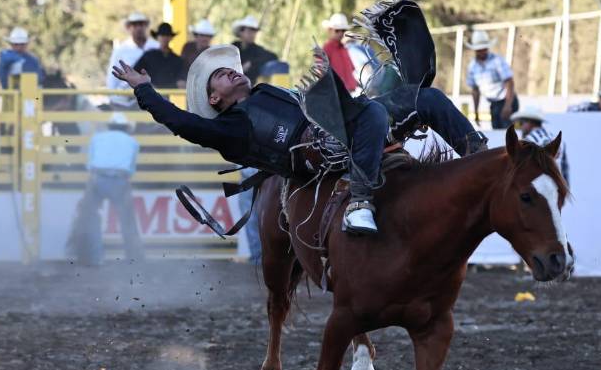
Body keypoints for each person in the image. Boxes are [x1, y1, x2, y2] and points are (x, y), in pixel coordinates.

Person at [113, 44, 486, 236]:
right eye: (221, 76)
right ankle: (359, 201)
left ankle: (479, 157)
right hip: (313, 152)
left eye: (229, 69)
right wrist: (144, 90)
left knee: (426, 97)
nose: (230, 72)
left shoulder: (270, 93)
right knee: (371, 113)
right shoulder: (230, 129)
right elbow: (180, 122)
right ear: (214, 99)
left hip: (338, 127)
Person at [68, 113, 144, 265]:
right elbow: (131, 168)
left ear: (110, 126)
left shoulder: (97, 138)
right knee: (127, 220)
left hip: (98, 178)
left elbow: (90, 164)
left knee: (90, 217)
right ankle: (134, 258)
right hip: (120, 179)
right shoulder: (132, 142)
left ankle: (95, 257)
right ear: (125, 127)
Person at [465, 30, 517, 129]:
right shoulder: (472, 66)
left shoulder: (497, 61)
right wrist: (476, 111)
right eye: (479, 49)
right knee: (497, 130)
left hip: (506, 100)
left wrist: (508, 105)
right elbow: (475, 90)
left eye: (484, 49)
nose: (482, 52)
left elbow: (509, 82)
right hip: (494, 104)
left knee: (507, 132)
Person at [105, 12, 158, 109]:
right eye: (135, 25)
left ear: (146, 26)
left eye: (141, 24)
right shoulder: (121, 50)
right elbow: (112, 78)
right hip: (126, 100)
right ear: (129, 27)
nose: (138, 28)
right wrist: (112, 98)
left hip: (153, 97)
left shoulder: (156, 46)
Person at [511, 106, 569, 185]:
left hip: (539, 189)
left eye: (521, 123)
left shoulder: (528, 141)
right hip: (558, 187)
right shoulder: (558, 140)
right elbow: (565, 170)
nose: (521, 128)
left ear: (530, 122)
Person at [133, 22, 185, 89]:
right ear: (157, 37)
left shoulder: (177, 60)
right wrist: (146, 84)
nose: (164, 38)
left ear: (171, 37)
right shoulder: (148, 56)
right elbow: (135, 72)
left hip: (170, 94)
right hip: (150, 93)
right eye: (162, 35)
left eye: (167, 35)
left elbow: (181, 80)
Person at [231, 15, 278, 84]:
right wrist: (241, 69)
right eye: (249, 31)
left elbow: (273, 56)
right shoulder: (233, 47)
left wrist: (251, 63)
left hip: (248, 86)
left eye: (254, 32)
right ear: (241, 32)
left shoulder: (257, 50)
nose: (252, 35)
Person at [321, 13, 357, 92]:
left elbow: (352, 69)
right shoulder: (327, 48)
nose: (340, 33)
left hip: (350, 91)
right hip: (336, 92)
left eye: (343, 30)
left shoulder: (344, 48)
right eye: (337, 30)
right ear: (330, 30)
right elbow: (321, 71)